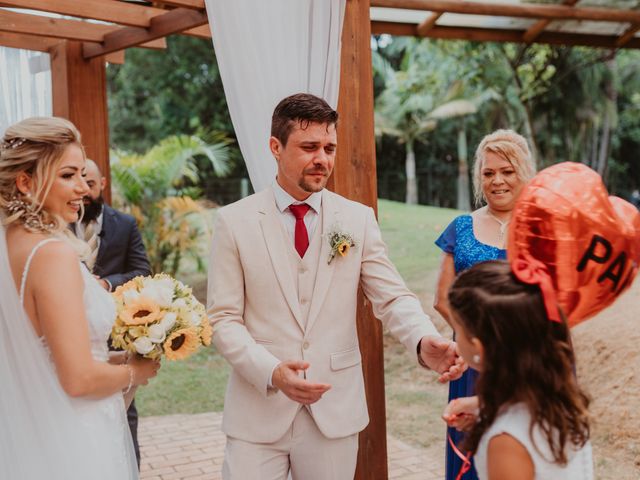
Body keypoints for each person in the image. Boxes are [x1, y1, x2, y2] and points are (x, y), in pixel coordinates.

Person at [207, 93, 464, 480]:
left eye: (329, 148)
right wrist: (272, 371)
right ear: (275, 147)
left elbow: (392, 296)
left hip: (334, 410)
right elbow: (224, 319)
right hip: (257, 412)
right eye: (309, 147)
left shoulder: (356, 220)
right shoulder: (235, 222)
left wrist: (422, 339)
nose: (322, 159)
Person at [0, 117, 159, 479]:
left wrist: (113, 357)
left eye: (84, 178)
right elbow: (78, 379)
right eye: (67, 175)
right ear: (25, 182)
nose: (83, 190)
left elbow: (39, 348)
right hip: (73, 434)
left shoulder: (10, 245)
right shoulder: (51, 254)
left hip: (29, 428)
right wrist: (137, 370)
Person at [433, 129, 536, 480]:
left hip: (528, 360)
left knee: (523, 451)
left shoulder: (543, 229)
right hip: (473, 361)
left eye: (507, 171)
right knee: (471, 453)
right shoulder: (462, 228)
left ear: (524, 171)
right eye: (488, 172)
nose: (497, 181)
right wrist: (477, 341)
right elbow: (443, 298)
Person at [442, 260, 593, 479]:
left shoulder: (507, 441)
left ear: (478, 347)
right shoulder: (559, 401)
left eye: (458, 328)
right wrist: (482, 406)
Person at [75, 158, 152, 466]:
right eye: (78, 182)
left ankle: (130, 465)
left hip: (114, 334)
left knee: (124, 412)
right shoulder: (59, 224)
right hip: (70, 335)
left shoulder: (125, 224)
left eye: (90, 185)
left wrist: (106, 284)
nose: (84, 193)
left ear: (103, 184)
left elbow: (141, 271)